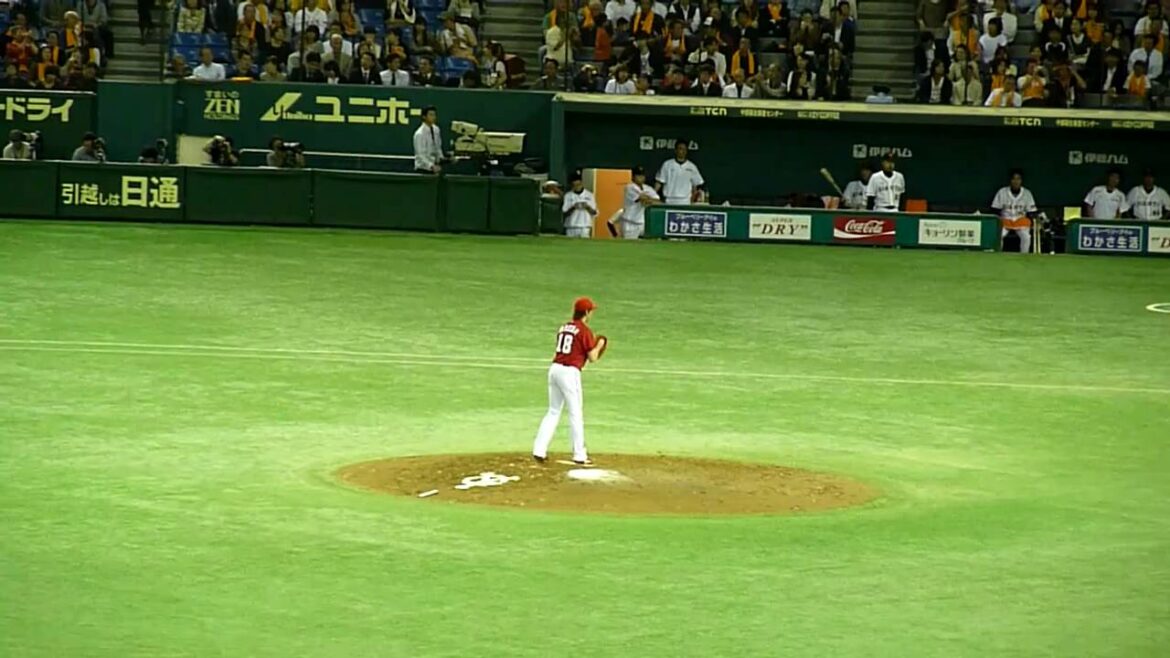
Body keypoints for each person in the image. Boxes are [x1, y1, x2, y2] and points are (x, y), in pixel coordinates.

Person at [531, 296, 607, 465]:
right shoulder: (584, 330)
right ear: (586, 312)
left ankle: (539, 449)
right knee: (575, 413)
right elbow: (592, 357)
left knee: (553, 410)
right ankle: (579, 454)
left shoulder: (564, 327)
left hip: (554, 369)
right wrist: (600, 344)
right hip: (569, 373)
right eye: (591, 310)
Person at [991, 169, 1039, 253]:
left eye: (1018, 179)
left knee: (1026, 237)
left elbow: (1032, 211)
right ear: (1010, 180)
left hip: (1020, 220)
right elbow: (995, 209)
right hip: (1005, 220)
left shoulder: (1027, 193)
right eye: (1014, 179)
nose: (1016, 181)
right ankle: (997, 254)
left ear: (1021, 181)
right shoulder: (1002, 192)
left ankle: (1024, 256)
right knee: (999, 235)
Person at [655, 139, 705, 205]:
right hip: (669, 199)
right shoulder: (667, 164)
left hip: (685, 200)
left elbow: (696, 185)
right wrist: (652, 194)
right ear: (676, 150)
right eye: (680, 149)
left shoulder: (692, 166)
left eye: (685, 149)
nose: (683, 151)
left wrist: (692, 199)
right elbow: (659, 181)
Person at [620, 165, 659, 239]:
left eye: (642, 175)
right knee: (629, 247)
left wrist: (648, 200)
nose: (641, 177)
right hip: (630, 223)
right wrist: (649, 199)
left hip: (643, 223)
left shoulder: (648, 188)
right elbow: (642, 199)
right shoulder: (629, 187)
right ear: (633, 177)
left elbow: (658, 201)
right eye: (638, 175)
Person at [562, 170, 598, 238]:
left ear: (581, 183)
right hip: (571, 225)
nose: (577, 187)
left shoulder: (589, 195)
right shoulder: (568, 196)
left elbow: (594, 212)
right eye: (574, 185)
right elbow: (565, 213)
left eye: (578, 185)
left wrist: (587, 206)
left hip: (585, 226)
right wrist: (573, 207)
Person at [412, 105, 443, 174]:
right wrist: (431, 166)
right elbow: (420, 155)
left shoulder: (436, 130)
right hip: (422, 169)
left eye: (434, 115)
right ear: (424, 117)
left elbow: (438, 148)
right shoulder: (419, 134)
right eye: (431, 115)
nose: (433, 117)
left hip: (435, 167)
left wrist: (442, 159)